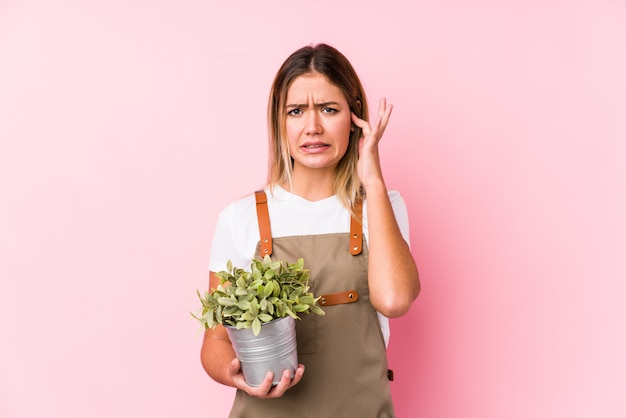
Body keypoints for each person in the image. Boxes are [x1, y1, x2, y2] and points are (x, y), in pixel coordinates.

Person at [200, 43, 420, 417]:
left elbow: (395, 300)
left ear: (354, 118)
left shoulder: (383, 205)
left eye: (329, 109)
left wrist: (374, 181)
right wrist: (234, 373)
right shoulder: (239, 218)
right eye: (296, 111)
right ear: (279, 121)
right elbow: (215, 340)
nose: (313, 127)